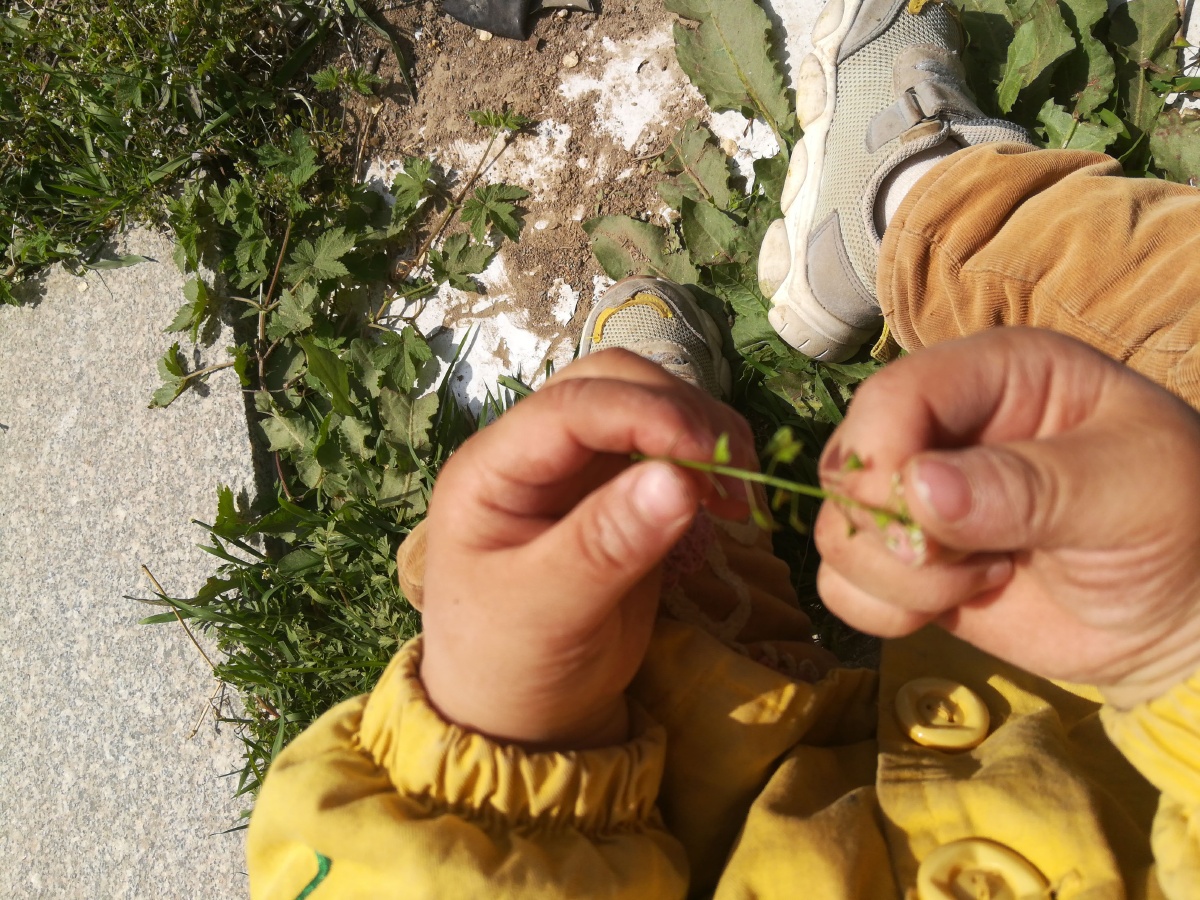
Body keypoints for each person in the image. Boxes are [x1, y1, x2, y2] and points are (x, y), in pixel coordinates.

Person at [244, 0, 1200, 897]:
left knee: (630, 603)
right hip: (1141, 745)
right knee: (1155, 292)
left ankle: (683, 525)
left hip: (712, 821)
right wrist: (1183, 635)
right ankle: (918, 197)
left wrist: (501, 736)